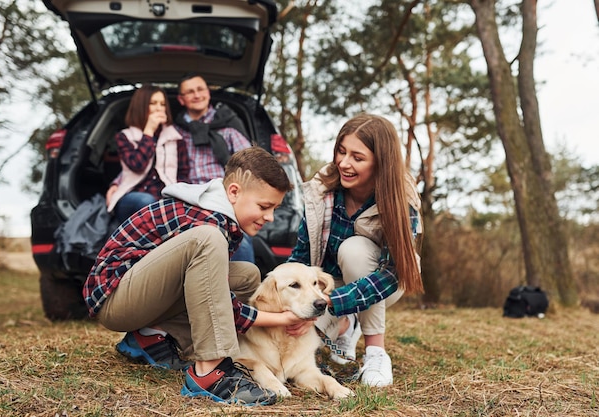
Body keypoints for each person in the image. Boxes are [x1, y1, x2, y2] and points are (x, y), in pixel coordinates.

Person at [84, 147, 306, 406]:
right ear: (234, 192)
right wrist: (280, 319)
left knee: (247, 275)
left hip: (141, 295)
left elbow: (214, 293)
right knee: (207, 239)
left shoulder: (220, 217)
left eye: (275, 209)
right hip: (115, 299)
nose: (270, 217)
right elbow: (226, 306)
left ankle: (149, 336)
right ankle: (210, 372)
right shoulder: (209, 221)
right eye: (264, 206)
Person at [287, 113, 423, 387]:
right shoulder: (322, 190)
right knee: (294, 335)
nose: (344, 163)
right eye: (341, 151)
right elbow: (302, 255)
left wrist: (332, 303)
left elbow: (391, 274)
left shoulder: (400, 198)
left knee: (354, 250)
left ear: (380, 163)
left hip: (384, 282)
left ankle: (375, 351)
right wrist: (288, 296)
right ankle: (346, 325)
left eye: (357, 158)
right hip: (329, 287)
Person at [174, 74, 255, 262]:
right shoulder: (175, 131)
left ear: (208, 93)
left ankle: (241, 290)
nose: (196, 95)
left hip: (225, 197)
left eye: (200, 89)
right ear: (181, 99)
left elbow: (252, 165)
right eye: (190, 91)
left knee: (240, 242)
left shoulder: (228, 125)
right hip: (188, 198)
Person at [106, 85, 189, 223]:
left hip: (164, 199)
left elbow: (183, 174)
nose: (159, 108)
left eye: (162, 104)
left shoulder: (175, 137)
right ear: (141, 106)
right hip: (131, 197)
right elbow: (137, 164)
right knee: (147, 201)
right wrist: (149, 131)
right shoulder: (124, 136)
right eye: (153, 103)